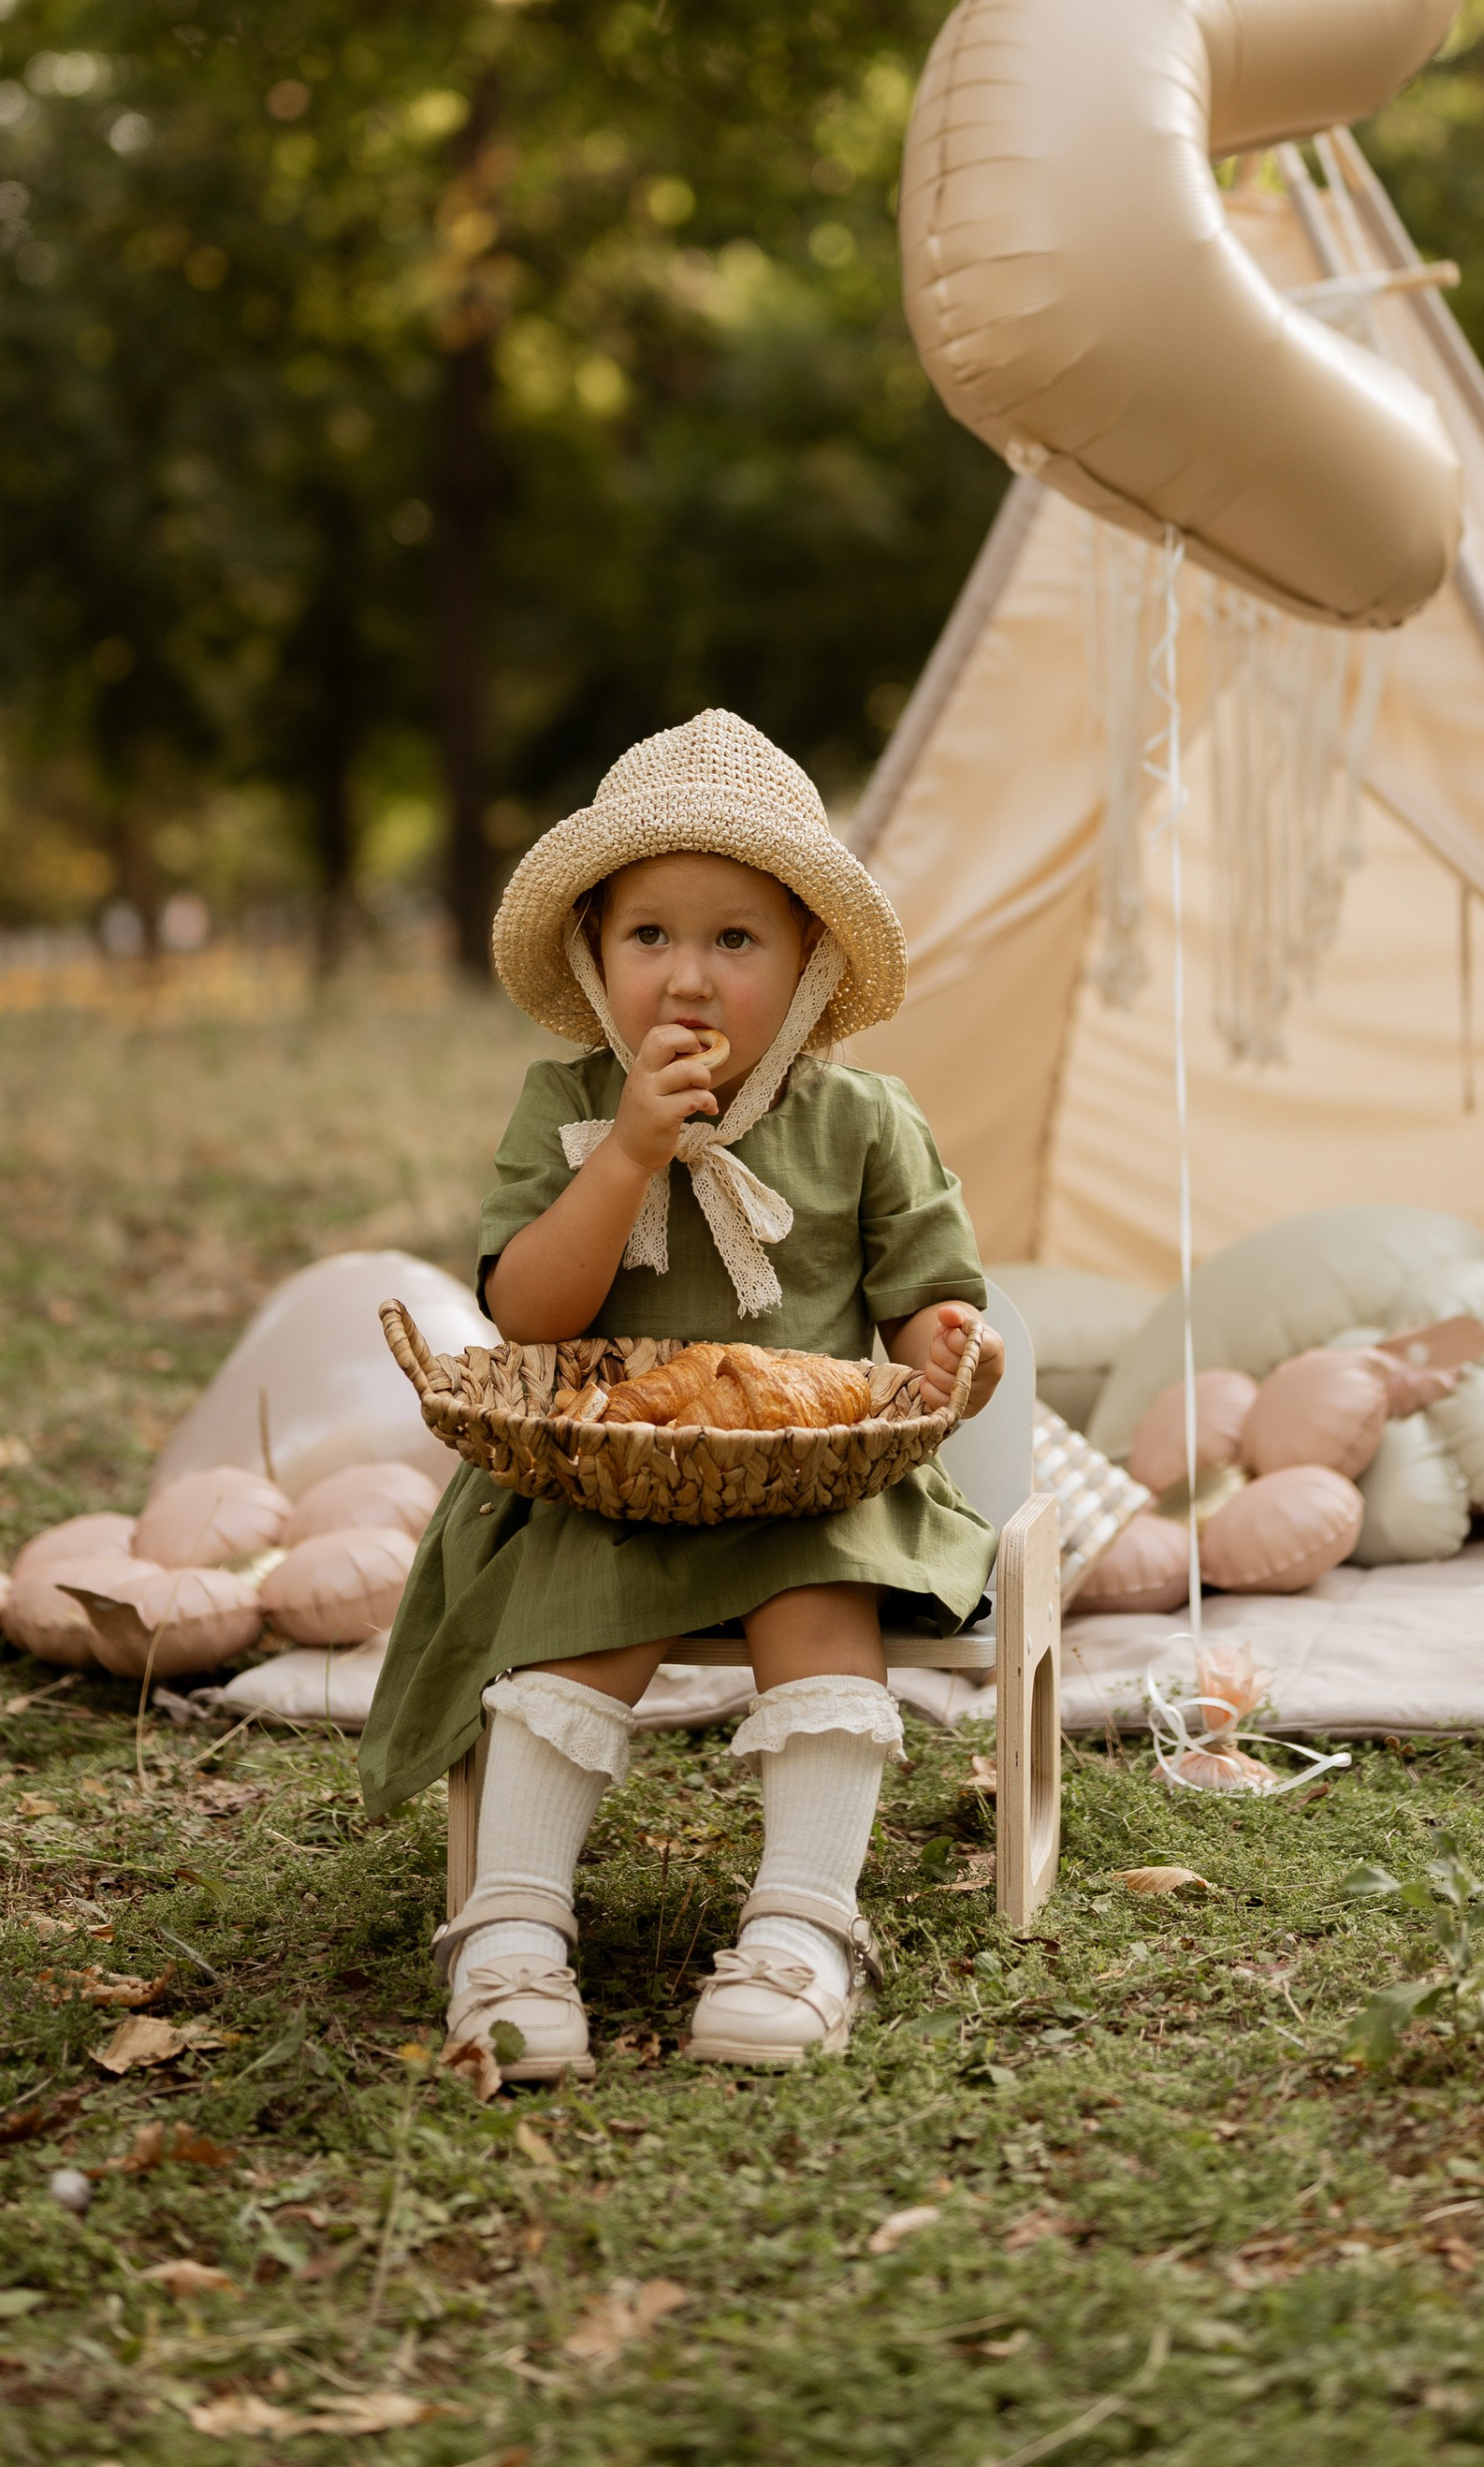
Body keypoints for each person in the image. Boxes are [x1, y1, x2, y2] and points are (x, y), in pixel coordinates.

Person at [358, 708, 1004, 2077]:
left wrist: (946, 1349)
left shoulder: (862, 1121)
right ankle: (515, 1925)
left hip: (805, 1480)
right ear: (595, 957)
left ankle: (803, 1924)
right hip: (601, 1473)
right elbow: (529, 1313)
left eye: (736, 940)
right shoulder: (570, 1103)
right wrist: (628, 1156)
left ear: (810, 962)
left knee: (820, 1603)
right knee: (568, 1625)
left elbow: (924, 1301)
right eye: (650, 935)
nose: (689, 980)